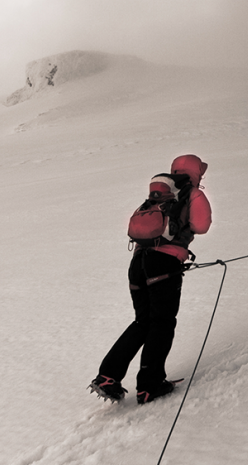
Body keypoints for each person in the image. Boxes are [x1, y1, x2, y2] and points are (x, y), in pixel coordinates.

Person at [90, 154, 212, 405]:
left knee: (142, 321)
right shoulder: (190, 194)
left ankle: (107, 376)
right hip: (164, 264)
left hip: (138, 263)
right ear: (195, 172)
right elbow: (201, 226)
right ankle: (150, 384)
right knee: (162, 323)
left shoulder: (157, 196)